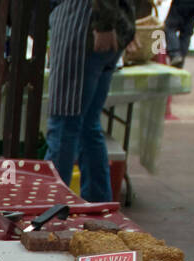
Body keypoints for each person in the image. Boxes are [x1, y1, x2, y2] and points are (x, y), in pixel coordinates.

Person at [45, 0, 136, 204]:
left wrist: (104, 23)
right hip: (99, 22)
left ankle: (51, 214)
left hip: (85, 22)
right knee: (87, 126)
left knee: (64, 127)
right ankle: (99, 212)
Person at [164, 0, 194, 68]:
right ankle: (181, 57)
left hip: (181, 3)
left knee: (169, 28)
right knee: (186, 33)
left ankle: (175, 54)